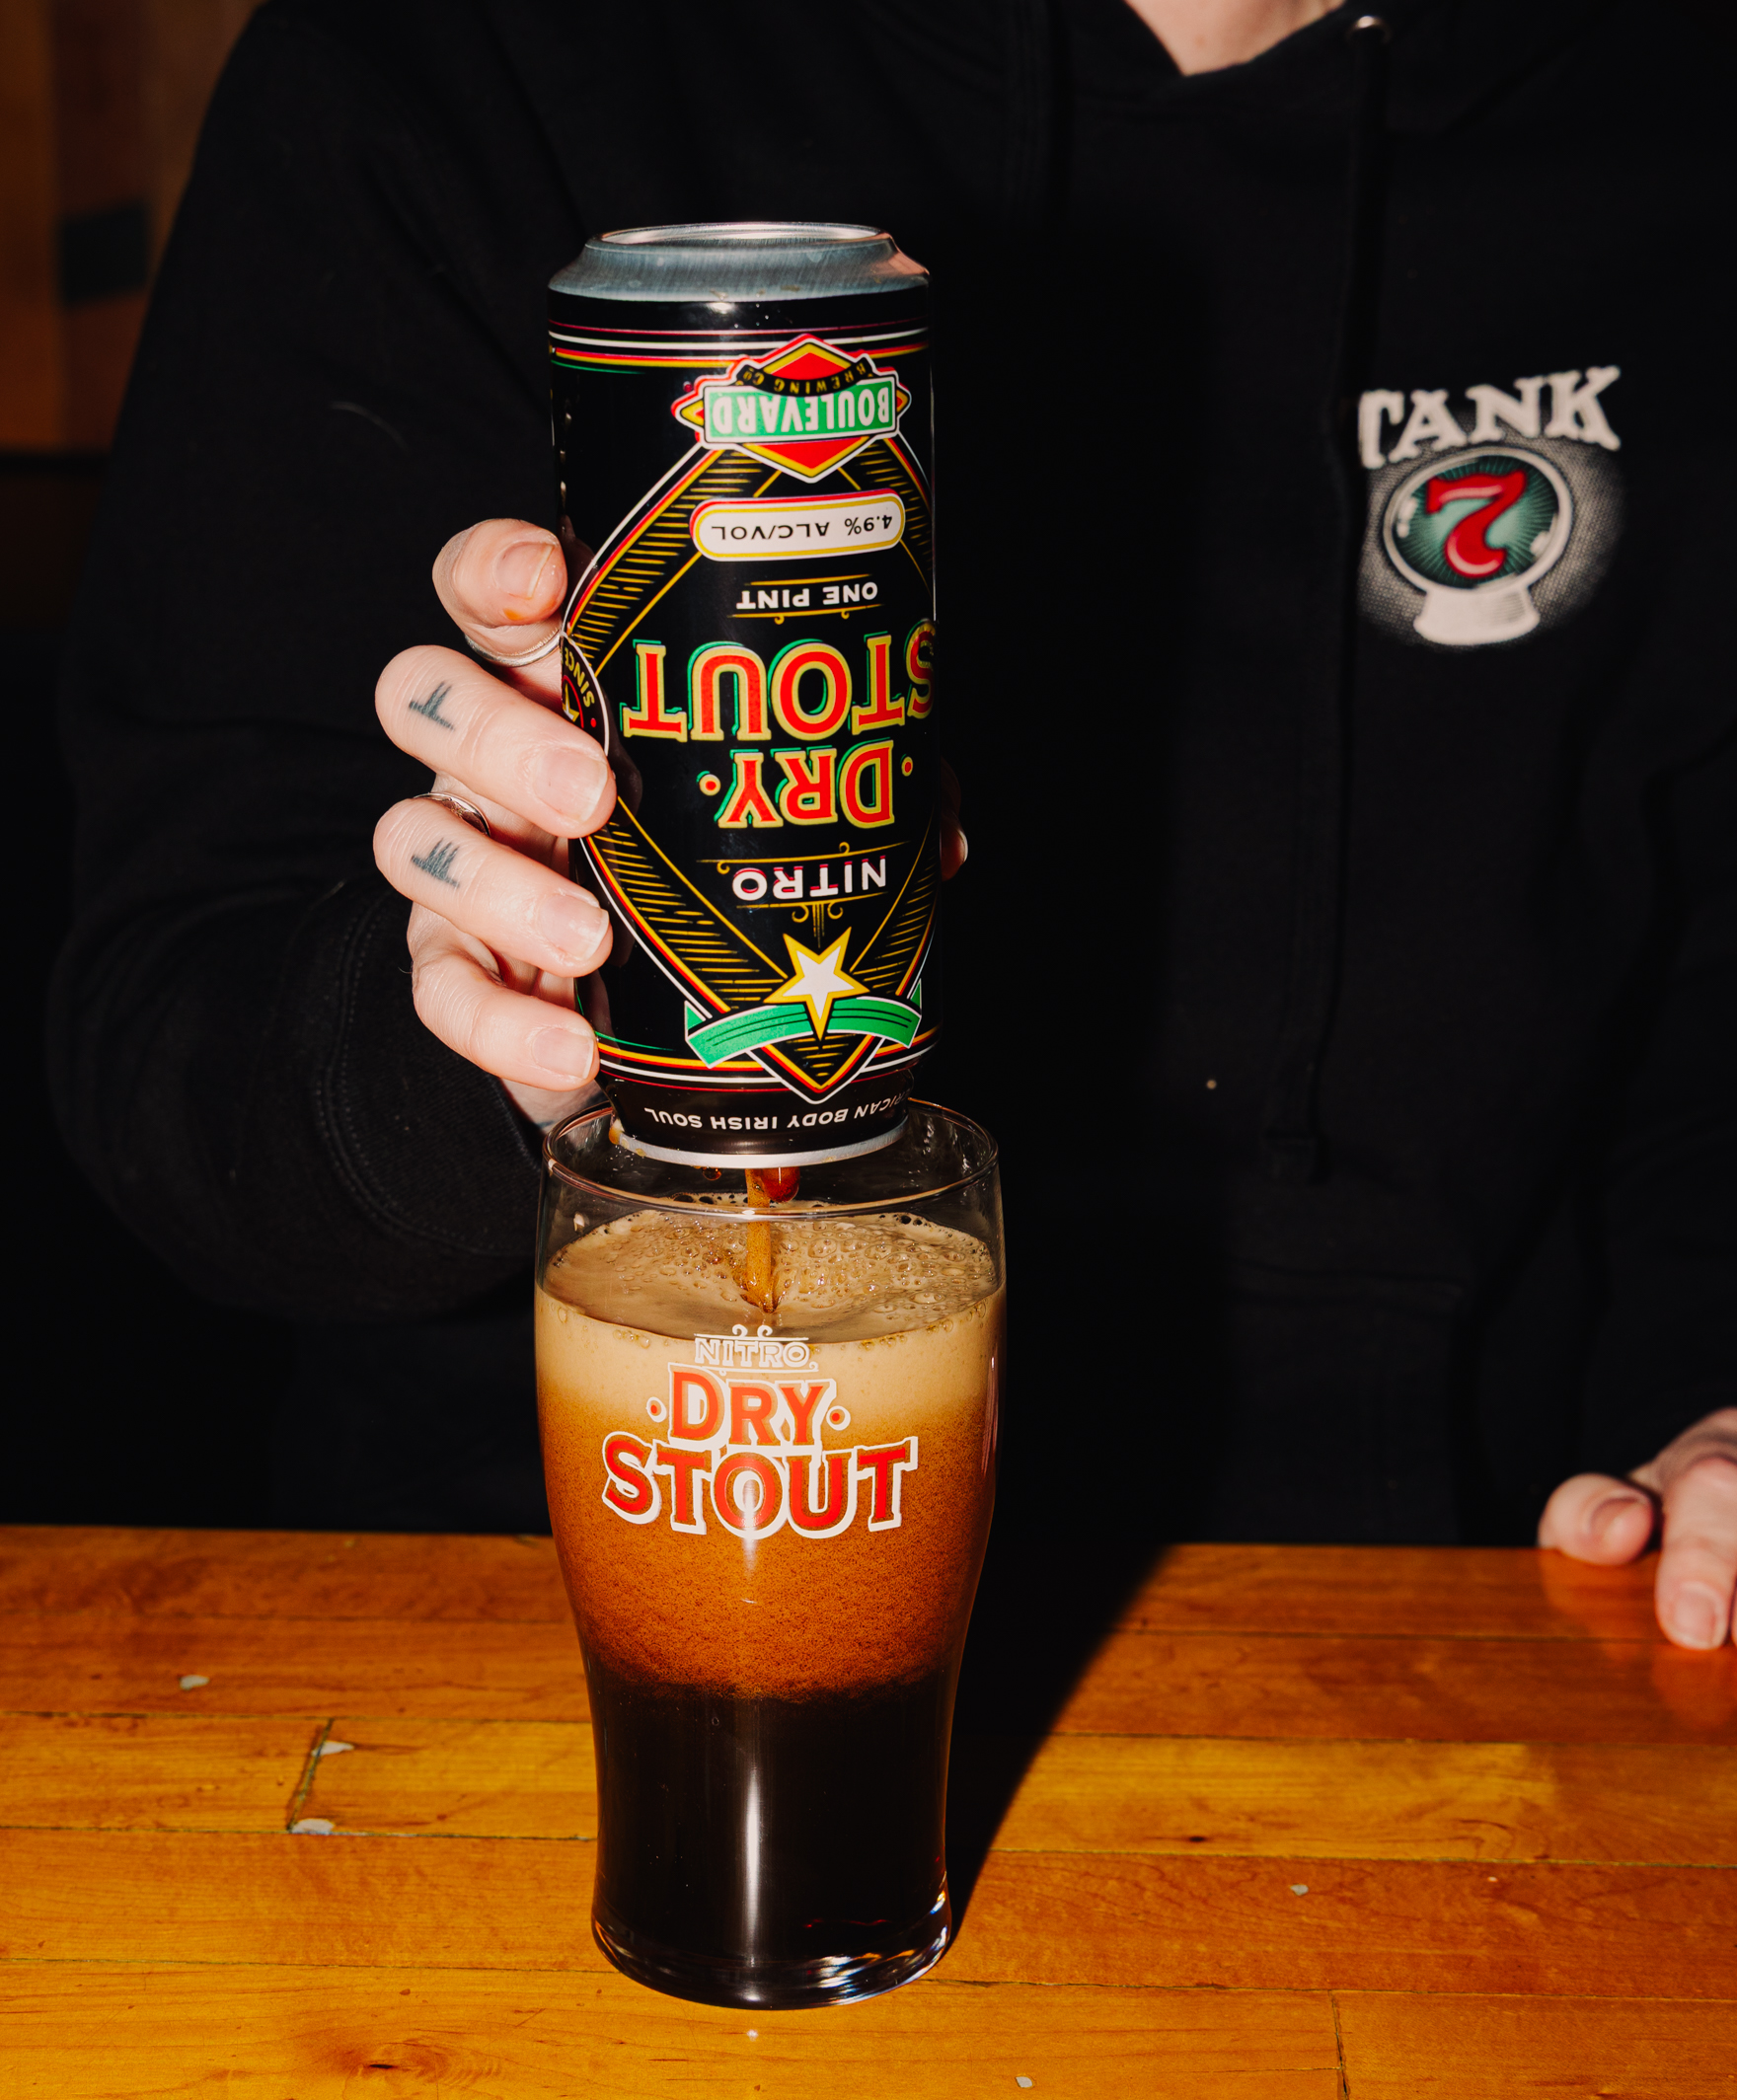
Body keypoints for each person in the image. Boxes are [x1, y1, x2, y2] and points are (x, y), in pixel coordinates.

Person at [48, 0, 1735, 1643]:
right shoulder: (457, 58)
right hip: (548, 1608)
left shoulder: (1676, 119)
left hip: (1441, 1606)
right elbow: (167, 1058)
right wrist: (496, 1029)